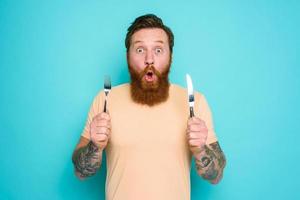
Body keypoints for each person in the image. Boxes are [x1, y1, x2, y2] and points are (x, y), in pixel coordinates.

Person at [72, 14, 226, 200]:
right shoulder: (105, 99)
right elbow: (80, 173)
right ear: (127, 56)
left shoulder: (194, 101)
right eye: (139, 50)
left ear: (171, 55)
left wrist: (201, 148)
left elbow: (216, 177)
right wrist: (95, 146)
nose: (149, 59)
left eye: (159, 50)